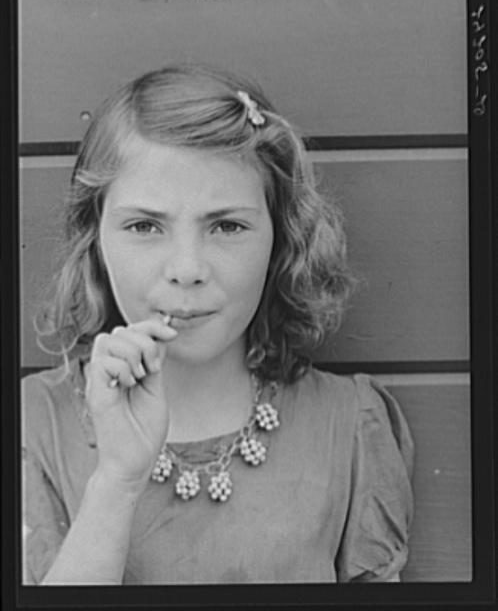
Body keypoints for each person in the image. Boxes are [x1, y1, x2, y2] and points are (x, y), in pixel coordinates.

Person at [22, 63, 414, 585]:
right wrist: (116, 483)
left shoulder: (350, 427)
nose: (187, 270)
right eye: (145, 225)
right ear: (95, 240)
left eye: (227, 226)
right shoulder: (33, 427)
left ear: (282, 239)